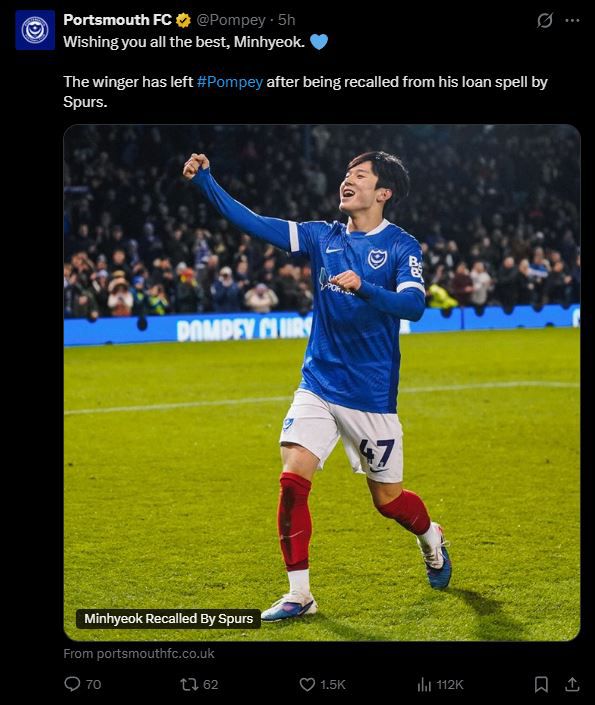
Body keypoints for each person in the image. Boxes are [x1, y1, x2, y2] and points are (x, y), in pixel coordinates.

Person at [182, 150, 452, 622]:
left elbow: (413, 307)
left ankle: (431, 537)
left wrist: (364, 287)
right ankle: (300, 595)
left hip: (371, 396)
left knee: (388, 502)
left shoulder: (401, 246)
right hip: (319, 383)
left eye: (360, 176)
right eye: (347, 174)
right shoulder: (320, 236)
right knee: (292, 479)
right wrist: (207, 182)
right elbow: (253, 222)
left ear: (383, 193)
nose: (348, 180)